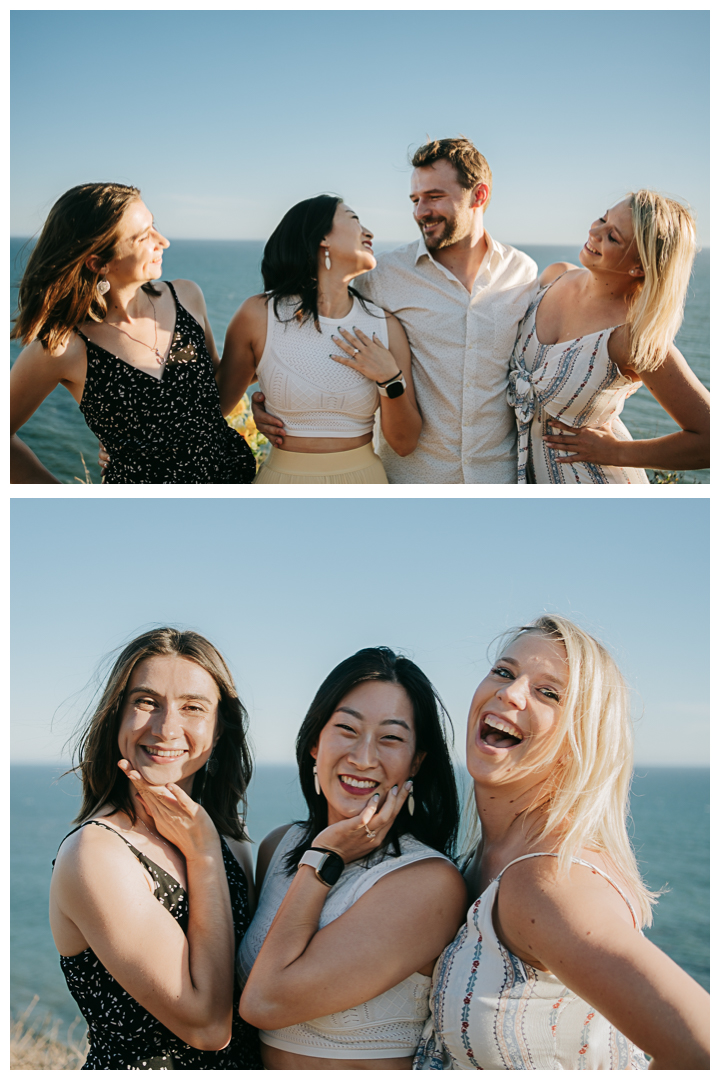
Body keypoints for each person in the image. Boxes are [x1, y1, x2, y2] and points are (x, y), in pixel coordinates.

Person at [414, 616, 710, 1070]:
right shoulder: (482, 859)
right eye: (504, 672)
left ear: (579, 740)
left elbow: (703, 1048)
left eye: (548, 693)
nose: (510, 693)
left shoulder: (548, 881)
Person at [252, 137, 539, 484]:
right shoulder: (382, 275)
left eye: (434, 197)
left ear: (478, 195)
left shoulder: (522, 273)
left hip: (498, 478)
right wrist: (269, 403)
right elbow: (302, 330)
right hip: (409, 479)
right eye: (415, 200)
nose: (420, 212)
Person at [237, 647, 467, 1068]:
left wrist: (325, 859)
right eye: (347, 729)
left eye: (391, 738)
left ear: (416, 762)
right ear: (314, 743)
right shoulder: (279, 846)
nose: (363, 757)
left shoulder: (429, 883)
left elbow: (264, 1002)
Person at [49, 628, 262, 1069]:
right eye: (146, 702)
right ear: (116, 717)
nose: (166, 728)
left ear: (219, 729)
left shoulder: (234, 845)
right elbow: (207, 1027)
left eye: (192, 708)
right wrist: (202, 856)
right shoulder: (97, 854)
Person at [11, 183, 255, 484]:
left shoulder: (187, 296)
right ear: (99, 262)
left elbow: (212, 398)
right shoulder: (63, 347)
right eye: (144, 237)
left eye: (154, 226)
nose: (163, 241)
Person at [218, 195, 421, 484]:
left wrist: (389, 378)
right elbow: (212, 407)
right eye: (354, 220)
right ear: (322, 237)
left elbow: (405, 443)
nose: (369, 232)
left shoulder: (385, 326)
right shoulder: (259, 315)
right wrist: (256, 411)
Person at [508, 192, 710, 483]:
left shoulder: (633, 338)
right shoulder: (555, 276)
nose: (594, 231)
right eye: (603, 218)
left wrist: (618, 452)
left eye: (612, 236)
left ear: (639, 267)